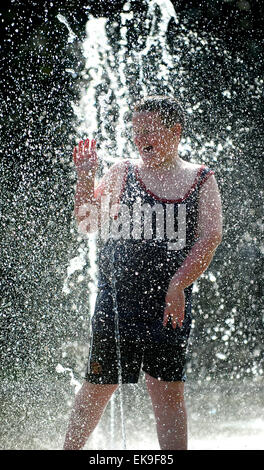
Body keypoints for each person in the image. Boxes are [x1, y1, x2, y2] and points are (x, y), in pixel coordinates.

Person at [63, 95, 223, 450]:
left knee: (167, 391)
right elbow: (89, 222)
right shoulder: (123, 171)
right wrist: (86, 177)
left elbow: (211, 237)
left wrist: (178, 284)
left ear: (175, 131)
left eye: (149, 131)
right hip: (118, 300)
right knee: (99, 385)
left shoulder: (200, 178)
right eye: (136, 131)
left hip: (170, 303)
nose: (139, 139)